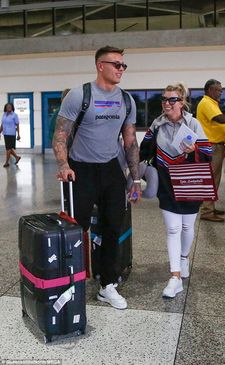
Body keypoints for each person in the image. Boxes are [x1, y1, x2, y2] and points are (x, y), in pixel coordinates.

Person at [52, 45, 141, 310]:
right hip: (81, 169)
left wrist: (134, 180)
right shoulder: (80, 95)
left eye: (123, 65)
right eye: (116, 64)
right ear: (100, 65)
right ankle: (71, 281)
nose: (121, 69)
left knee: (113, 227)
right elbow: (60, 135)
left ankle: (107, 285)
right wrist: (63, 164)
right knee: (75, 229)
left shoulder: (126, 100)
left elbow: (130, 141)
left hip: (111, 169)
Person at [141, 83, 212, 298]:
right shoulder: (157, 124)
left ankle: (183, 258)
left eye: (172, 100)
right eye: (164, 99)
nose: (167, 103)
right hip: (166, 182)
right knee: (173, 229)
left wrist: (195, 150)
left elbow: (207, 154)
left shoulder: (194, 124)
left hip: (190, 182)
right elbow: (145, 150)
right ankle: (175, 277)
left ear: (182, 102)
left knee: (187, 226)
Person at [196, 79, 225, 222]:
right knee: (211, 179)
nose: (221, 92)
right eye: (219, 89)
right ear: (210, 90)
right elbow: (220, 119)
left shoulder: (212, 103)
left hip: (216, 146)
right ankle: (207, 211)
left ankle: (210, 207)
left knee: (214, 179)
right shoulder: (206, 102)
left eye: (221, 89)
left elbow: (221, 122)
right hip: (211, 147)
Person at [0, 102, 21, 167]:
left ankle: (6, 162)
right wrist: (0, 132)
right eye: (7, 106)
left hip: (11, 134)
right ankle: (17, 157)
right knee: (9, 148)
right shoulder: (4, 114)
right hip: (5, 133)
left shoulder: (14, 115)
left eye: (10, 106)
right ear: (5, 108)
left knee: (8, 149)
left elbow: (17, 124)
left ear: (12, 107)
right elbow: (2, 124)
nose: (9, 107)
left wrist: (18, 134)